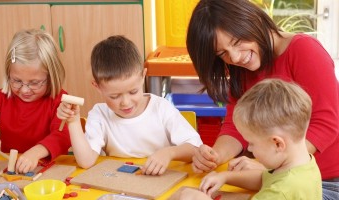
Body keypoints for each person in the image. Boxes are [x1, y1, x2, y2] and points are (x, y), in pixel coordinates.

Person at [186, 0, 339, 199]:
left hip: (323, 183)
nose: (235, 57)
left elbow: (326, 123)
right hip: (276, 175)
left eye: (236, 42)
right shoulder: (242, 67)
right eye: (222, 53)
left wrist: (272, 163)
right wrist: (216, 156)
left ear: (252, 20)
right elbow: (235, 124)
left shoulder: (303, 50)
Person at [57, 35, 203, 175]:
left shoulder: (161, 108)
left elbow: (196, 148)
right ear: (97, 86)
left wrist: (169, 153)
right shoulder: (99, 114)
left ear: (143, 76)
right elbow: (86, 161)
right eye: (114, 96)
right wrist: (73, 121)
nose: (125, 103)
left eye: (133, 92)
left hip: (162, 182)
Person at [174, 79, 322, 199]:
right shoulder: (303, 165)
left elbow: (273, 186)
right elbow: (265, 179)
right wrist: (225, 177)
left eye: (251, 143)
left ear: (277, 143)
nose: (249, 149)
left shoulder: (279, 193)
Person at [0, 29, 71, 173]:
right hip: (8, 170)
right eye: (17, 80)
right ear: (8, 74)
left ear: (51, 77)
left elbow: (63, 136)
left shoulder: (59, 101)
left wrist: (36, 153)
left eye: (35, 83)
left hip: (48, 171)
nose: (24, 90)